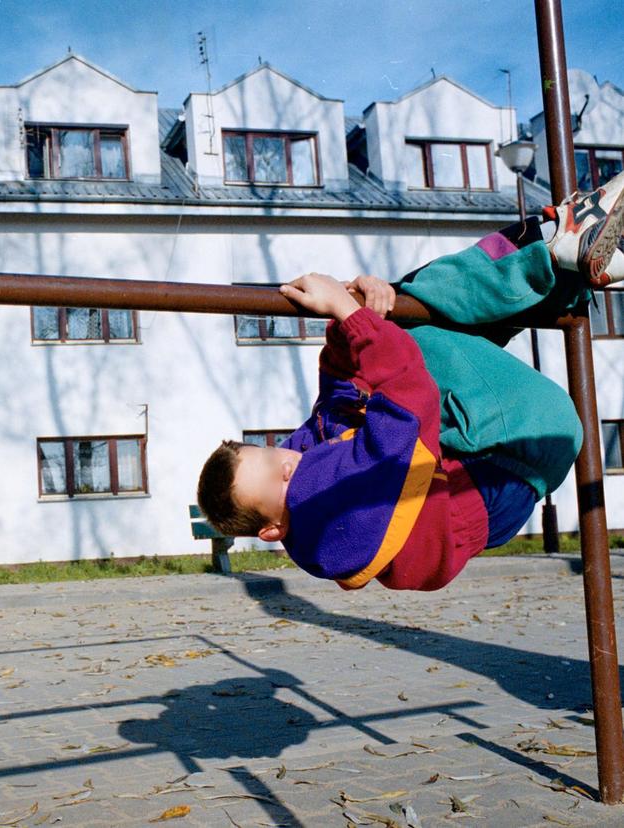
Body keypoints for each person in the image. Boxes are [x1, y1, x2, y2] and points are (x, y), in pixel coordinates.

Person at [197, 171, 624, 591]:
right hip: (517, 444)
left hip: (498, 472)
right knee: (406, 324)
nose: (289, 463)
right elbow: (408, 398)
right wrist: (351, 315)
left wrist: (356, 315)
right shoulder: (325, 500)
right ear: (271, 531)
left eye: (273, 455)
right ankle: (550, 249)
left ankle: (564, 259)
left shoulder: (314, 526)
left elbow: (337, 405)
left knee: (397, 322)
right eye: (280, 479)